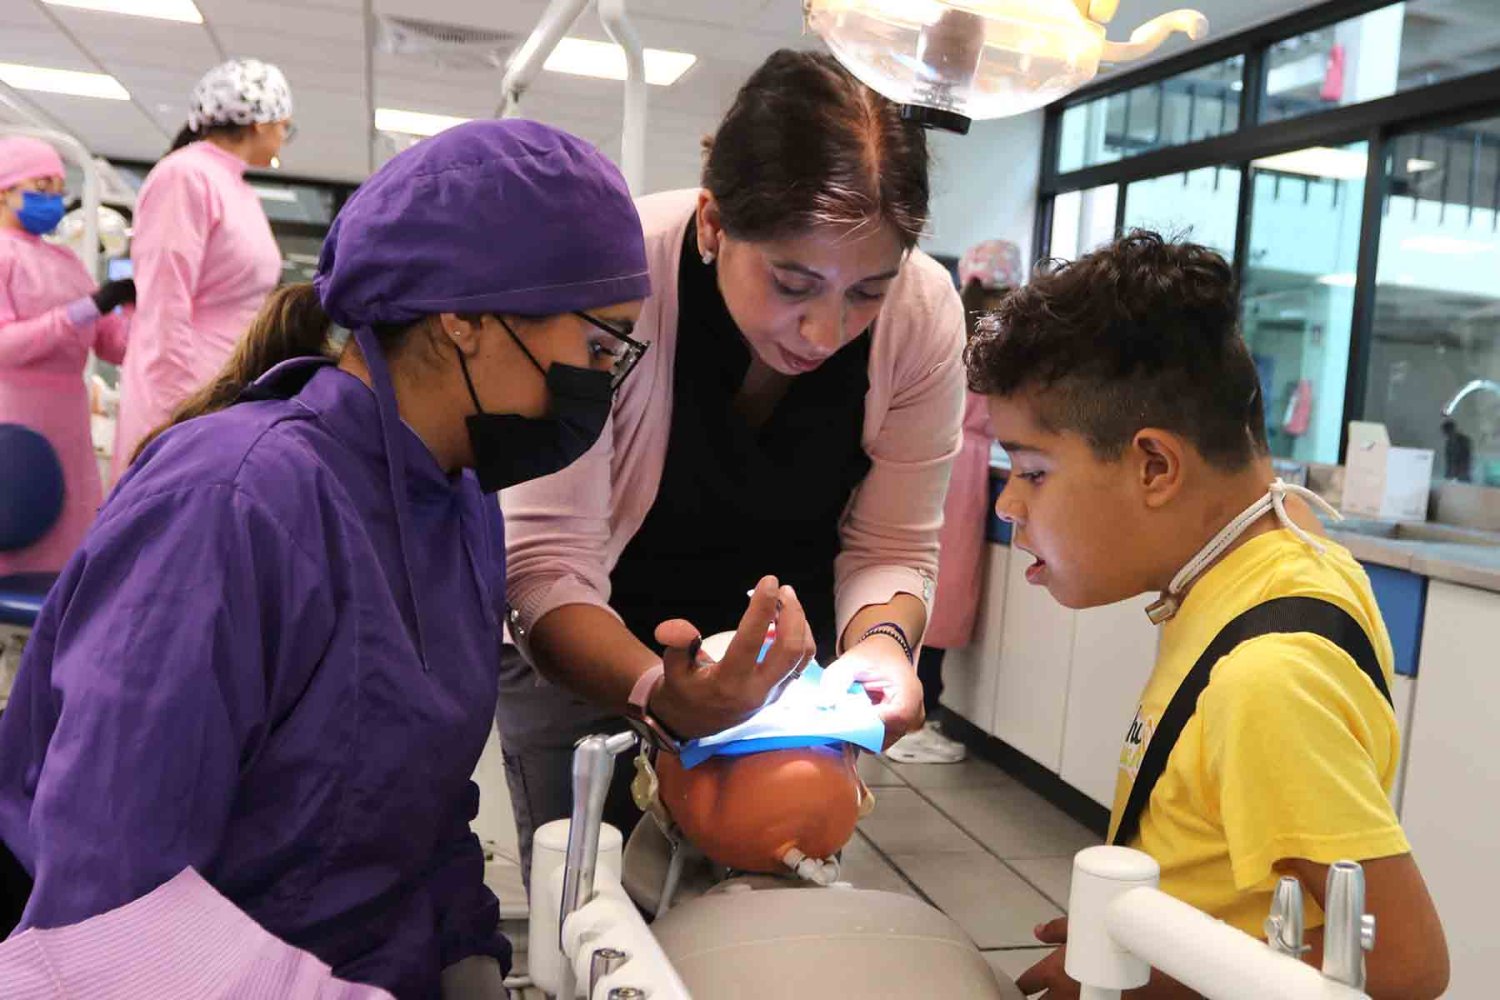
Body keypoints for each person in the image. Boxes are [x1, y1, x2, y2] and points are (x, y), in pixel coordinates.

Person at [0, 119, 661, 1000]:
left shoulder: (456, 502)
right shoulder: (231, 506)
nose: (603, 384)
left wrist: (468, 960)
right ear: (464, 317)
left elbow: (421, 811)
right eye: (597, 347)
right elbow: (112, 905)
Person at [499, 49, 965, 872]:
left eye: (866, 292)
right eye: (793, 283)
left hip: (779, 676)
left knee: (768, 884)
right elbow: (545, 565)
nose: (826, 331)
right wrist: (656, 692)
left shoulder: (922, 312)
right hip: (583, 648)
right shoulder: (614, 280)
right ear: (714, 224)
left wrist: (886, 642)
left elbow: (893, 545)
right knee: (596, 905)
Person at [966, 232, 1449, 999]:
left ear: (1155, 466)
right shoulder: (1284, 550)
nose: (1007, 503)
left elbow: (1403, 964)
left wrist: (1139, 968)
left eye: (1031, 471)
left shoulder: (1267, 674)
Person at [110, 58, 291, 480]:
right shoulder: (185, 177)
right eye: (286, 126)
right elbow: (164, 306)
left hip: (223, 391)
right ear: (260, 123)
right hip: (182, 398)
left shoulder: (234, 186)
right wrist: (178, 414)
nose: (285, 137)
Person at [888, 239, 1020, 765]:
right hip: (961, 475)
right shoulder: (996, 343)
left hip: (933, 459)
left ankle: (904, 704)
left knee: (918, 582)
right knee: (939, 590)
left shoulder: (948, 326)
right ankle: (913, 715)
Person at [0, 136, 133, 575]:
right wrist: (85, 310)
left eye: (59, 188)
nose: (54, 199)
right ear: (4, 190)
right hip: (15, 419)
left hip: (70, 425)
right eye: (41, 186)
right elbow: (7, 346)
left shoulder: (68, 261)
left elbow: (112, 345)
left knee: (71, 558)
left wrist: (136, 306)